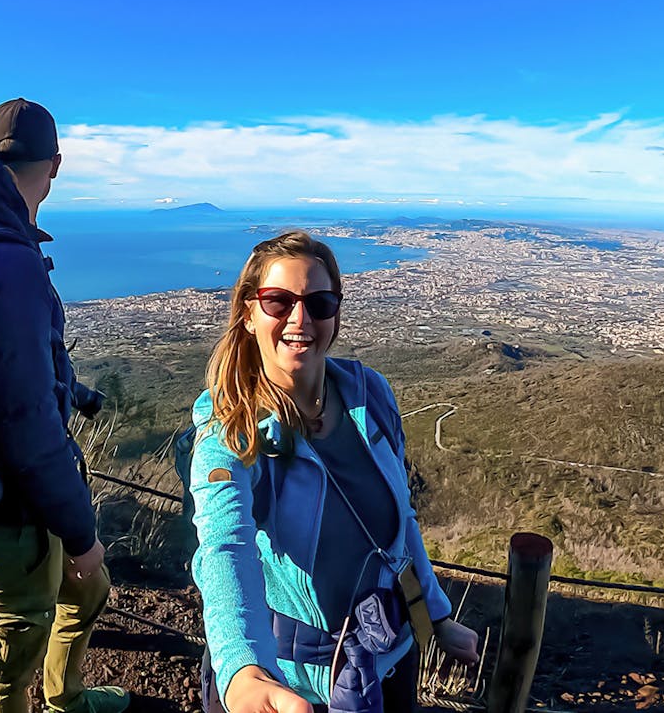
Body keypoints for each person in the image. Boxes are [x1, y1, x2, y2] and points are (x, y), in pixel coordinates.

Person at [189, 230, 479, 713]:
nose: (300, 319)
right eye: (278, 301)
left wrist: (434, 617)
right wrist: (244, 671)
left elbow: (399, 524)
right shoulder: (230, 432)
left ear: (336, 314)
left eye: (319, 303)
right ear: (248, 312)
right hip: (290, 685)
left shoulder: (371, 395)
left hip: (386, 659)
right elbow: (224, 547)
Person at [0, 98, 130, 713]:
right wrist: (79, 533)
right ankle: (43, 698)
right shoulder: (4, 259)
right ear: (56, 165)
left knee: (86, 592)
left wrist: (66, 389)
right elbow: (27, 428)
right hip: (1, 503)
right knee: (10, 658)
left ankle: (65, 699)